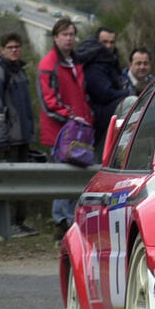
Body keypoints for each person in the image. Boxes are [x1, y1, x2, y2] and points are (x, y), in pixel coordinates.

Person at [38, 18, 93, 239]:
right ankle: (61, 222)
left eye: (71, 34)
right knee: (62, 179)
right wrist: (70, 117)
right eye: (64, 34)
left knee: (76, 179)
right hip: (60, 133)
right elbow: (49, 102)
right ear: (55, 37)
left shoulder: (76, 62)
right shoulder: (48, 65)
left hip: (80, 130)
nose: (69, 38)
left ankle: (72, 222)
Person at [0, 33, 38, 237]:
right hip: (8, 139)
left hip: (22, 137)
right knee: (9, 182)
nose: (14, 50)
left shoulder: (20, 72)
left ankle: (18, 223)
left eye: (17, 46)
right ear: (2, 49)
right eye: (10, 47)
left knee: (20, 182)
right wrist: (0, 138)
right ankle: (8, 224)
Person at [75, 26, 131, 160]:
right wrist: (126, 93)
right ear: (97, 42)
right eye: (105, 42)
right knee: (131, 102)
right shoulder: (94, 64)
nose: (109, 46)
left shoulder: (110, 61)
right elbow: (104, 94)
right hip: (98, 116)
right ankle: (125, 154)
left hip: (107, 113)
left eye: (112, 42)